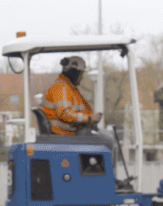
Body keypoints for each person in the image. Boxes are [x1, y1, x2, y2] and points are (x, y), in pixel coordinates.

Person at [41, 56, 127, 185]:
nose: (82, 77)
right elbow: (64, 113)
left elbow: (72, 112)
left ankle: (104, 179)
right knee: (108, 140)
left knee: (107, 137)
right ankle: (109, 181)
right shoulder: (62, 88)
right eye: (81, 74)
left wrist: (90, 119)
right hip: (64, 134)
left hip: (67, 132)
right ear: (74, 73)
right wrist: (88, 118)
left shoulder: (67, 88)